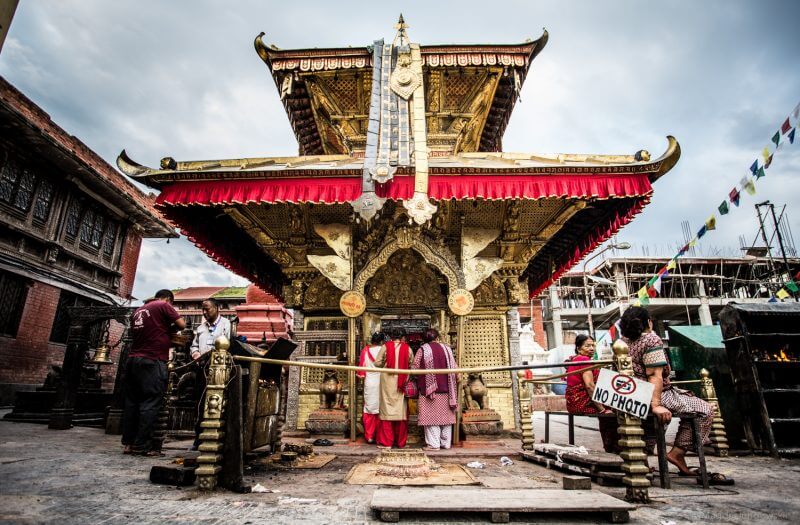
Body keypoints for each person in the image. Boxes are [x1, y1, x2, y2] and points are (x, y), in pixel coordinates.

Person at [620, 306, 718, 479]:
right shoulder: (651, 340)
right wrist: (656, 404)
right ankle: (678, 452)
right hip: (655, 394)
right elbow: (654, 374)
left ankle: (642, 461)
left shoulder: (623, 342)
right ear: (648, 322)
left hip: (633, 394)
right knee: (705, 410)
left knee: (648, 427)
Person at [122, 289, 185, 456]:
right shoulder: (163, 305)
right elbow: (182, 325)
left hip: (133, 360)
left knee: (132, 403)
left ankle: (128, 443)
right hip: (152, 360)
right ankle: (141, 445)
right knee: (150, 402)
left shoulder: (138, 310)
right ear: (169, 299)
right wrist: (171, 328)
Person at [188, 298, 232, 450]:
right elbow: (194, 345)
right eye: (203, 310)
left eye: (208, 309)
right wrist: (196, 354)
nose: (205, 312)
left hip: (220, 370)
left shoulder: (227, 324)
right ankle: (199, 438)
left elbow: (229, 344)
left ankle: (218, 438)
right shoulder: (201, 328)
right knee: (201, 403)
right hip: (202, 369)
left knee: (217, 403)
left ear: (217, 308)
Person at [565, 334, 620, 453]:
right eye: (587, 346)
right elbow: (590, 386)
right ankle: (614, 448)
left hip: (573, 403)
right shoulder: (584, 360)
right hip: (581, 402)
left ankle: (611, 447)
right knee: (612, 414)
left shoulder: (575, 359)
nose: (591, 348)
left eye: (593, 345)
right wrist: (602, 409)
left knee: (610, 410)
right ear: (579, 348)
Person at [412, 328, 458, 450]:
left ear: (423, 339)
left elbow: (415, 368)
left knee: (431, 418)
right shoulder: (447, 349)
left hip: (429, 391)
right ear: (437, 338)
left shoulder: (422, 350)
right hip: (447, 389)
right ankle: (445, 443)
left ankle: (434, 444)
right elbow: (454, 366)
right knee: (446, 418)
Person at [373, 327, 413, 448]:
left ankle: (387, 442)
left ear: (391, 337)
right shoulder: (407, 348)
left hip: (387, 382)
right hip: (402, 381)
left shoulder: (385, 346)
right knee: (400, 411)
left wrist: (386, 363)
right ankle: (400, 442)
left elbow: (377, 363)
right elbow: (412, 364)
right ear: (403, 337)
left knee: (386, 411)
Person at [357, 332, 385, 444]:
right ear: (382, 341)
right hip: (383, 382)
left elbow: (361, 370)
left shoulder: (365, 350)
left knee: (369, 409)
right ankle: (380, 436)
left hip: (370, 382)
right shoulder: (384, 350)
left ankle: (369, 436)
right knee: (381, 409)